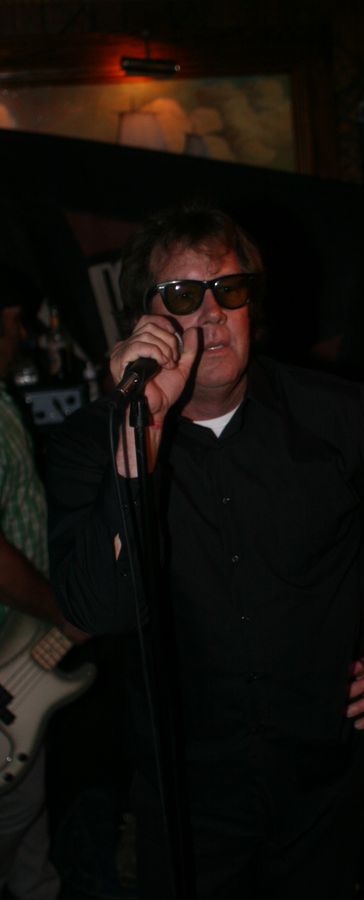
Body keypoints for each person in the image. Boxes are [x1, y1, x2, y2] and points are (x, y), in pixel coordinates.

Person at [46, 199, 364, 900]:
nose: (211, 314)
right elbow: (94, 607)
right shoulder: (93, 443)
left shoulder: (340, 415)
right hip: (185, 801)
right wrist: (140, 432)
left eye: (230, 289)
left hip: (325, 792)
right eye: (183, 295)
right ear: (142, 320)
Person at [0, 265, 86, 900]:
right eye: (10, 324)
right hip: (10, 656)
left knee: (32, 842)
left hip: (22, 654)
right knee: (16, 816)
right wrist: (59, 608)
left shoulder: (4, 403)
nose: (20, 337)